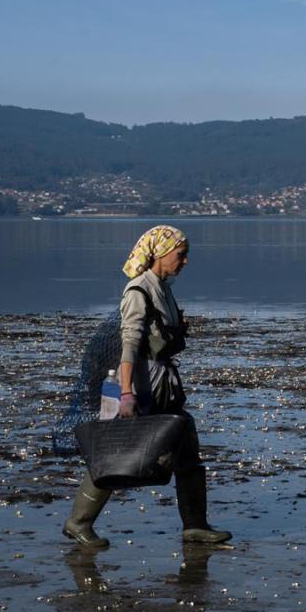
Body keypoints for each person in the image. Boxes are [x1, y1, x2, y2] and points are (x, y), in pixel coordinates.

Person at [62, 225, 232, 547]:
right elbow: (130, 346)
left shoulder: (162, 288)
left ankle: (195, 525)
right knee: (116, 455)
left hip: (163, 382)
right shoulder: (138, 291)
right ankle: (78, 521)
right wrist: (126, 395)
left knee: (187, 451)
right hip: (143, 385)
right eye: (181, 255)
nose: (185, 262)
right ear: (160, 254)